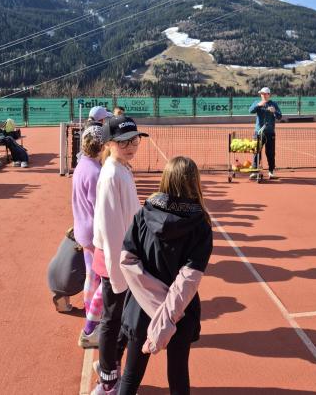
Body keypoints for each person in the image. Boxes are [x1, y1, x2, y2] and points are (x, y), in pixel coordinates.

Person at [118, 156, 213, 395]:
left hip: (140, 310)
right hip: (180, 313)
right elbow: (187, 281)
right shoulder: (201, 225)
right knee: (178, 375)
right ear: (194, 182)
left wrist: (155, 306)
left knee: (131, 375)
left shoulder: (142, 214)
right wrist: (166, 316)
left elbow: (128, 262)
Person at [91, 115, 148, 395]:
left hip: (124, 258)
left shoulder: (121, 168)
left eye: (134, 140)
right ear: (109, 144)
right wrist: (118, 276)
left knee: (122, 320)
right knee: (112, 321)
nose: (130, 146)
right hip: (116, 261)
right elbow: (111, 229)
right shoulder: (112, 174)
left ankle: (109, 366)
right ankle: (108, 380)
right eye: (123, 142)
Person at [72, 125, 104, 348]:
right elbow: (99, 208)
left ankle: (90, 314)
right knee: (106, 281)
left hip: (83, 231)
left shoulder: (82, 165)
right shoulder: (95, 172)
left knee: (91, 277)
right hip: (94, 235)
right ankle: (91, 327)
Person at [47, 227, 86, 313]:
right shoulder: (88, 240)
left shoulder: (70, 234)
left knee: (70, 263)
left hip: (51, 277)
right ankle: (94, 306)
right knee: (99, 271)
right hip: (69, 282)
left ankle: (62, 299)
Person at [249, 87, 282, 179]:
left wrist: (274, 111)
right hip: (258, 133)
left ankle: (271, 171)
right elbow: (250, 110)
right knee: (256, 151)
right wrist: (258, 105)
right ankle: (254, 171)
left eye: (264, 94)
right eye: (261, 94)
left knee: (270, 152)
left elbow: (279, 116)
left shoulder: (274, 104)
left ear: (268, 95)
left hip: (270, 132)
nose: (262, 95)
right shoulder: (257, 102)